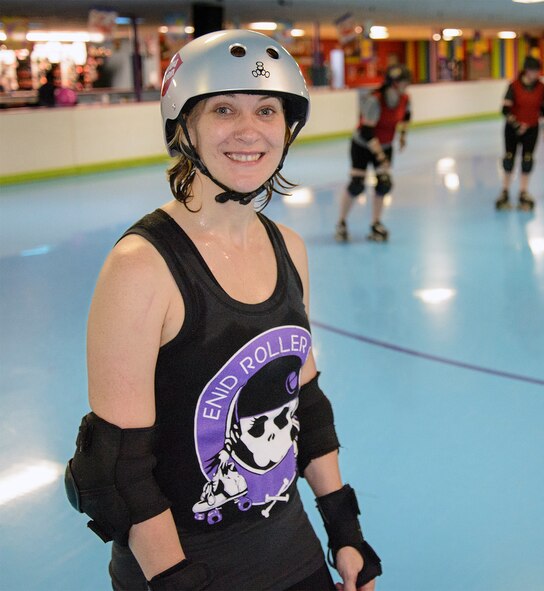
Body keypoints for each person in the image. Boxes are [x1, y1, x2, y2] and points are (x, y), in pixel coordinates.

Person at [64, 30, 381, 591]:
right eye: (223, 110)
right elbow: (117, 471)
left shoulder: (290, 249)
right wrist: (178, 582)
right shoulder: (143, 267)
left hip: (293, 550)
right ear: (184, 126)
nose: (249, 130)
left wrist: (344, 529)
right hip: (185, 568)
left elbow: (304, 402)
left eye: (267, 110)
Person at [335, 64, 412, 243]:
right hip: (362, 146)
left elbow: (407, 116)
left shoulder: (405, 99)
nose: (406, 86)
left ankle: (376, 223)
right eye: (403, 82)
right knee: (357, 185)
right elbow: (366, 132)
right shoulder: (375, 100)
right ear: (393, 83)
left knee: (384, 184)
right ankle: (342, 222)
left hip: (385, 145)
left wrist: (402, 136)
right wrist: (380, 156)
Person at [495, 56, 544, 211]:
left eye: (538, 71)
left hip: (532, 128)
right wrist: (516, 125)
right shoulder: (514, 86)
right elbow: (505, 110)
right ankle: (505, 191)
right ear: (526, 71)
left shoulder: (541, 86)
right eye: (533, 71)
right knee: (509, 159)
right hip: (513, 128)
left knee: (527, 160)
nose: (536, 74)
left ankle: (523, 192)